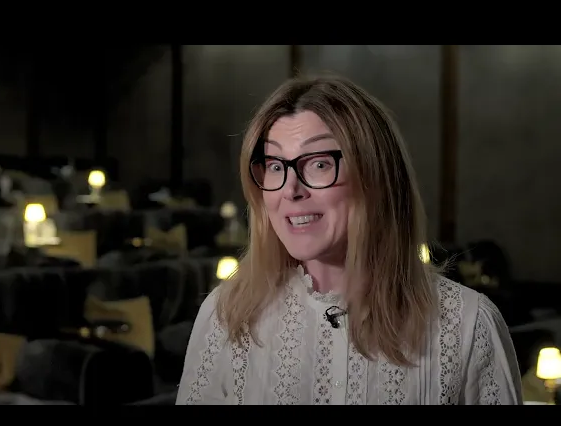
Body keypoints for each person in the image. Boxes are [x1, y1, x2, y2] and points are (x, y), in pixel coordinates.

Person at [176, 74, 523, 405]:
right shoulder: (226, 316)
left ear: (377, 176)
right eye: (275, 166)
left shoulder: (467, 325)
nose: (290, 190)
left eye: (318, 164)